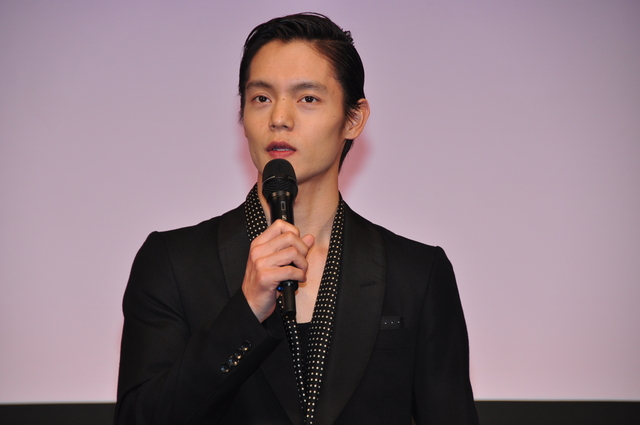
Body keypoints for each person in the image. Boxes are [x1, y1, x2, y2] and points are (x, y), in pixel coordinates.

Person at [115, 12, 478, 425]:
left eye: (307, 98)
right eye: (261, 98)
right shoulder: (173, 263)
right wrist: (245, 311)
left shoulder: (417, 273)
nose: (279, 118)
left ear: (354, 119)